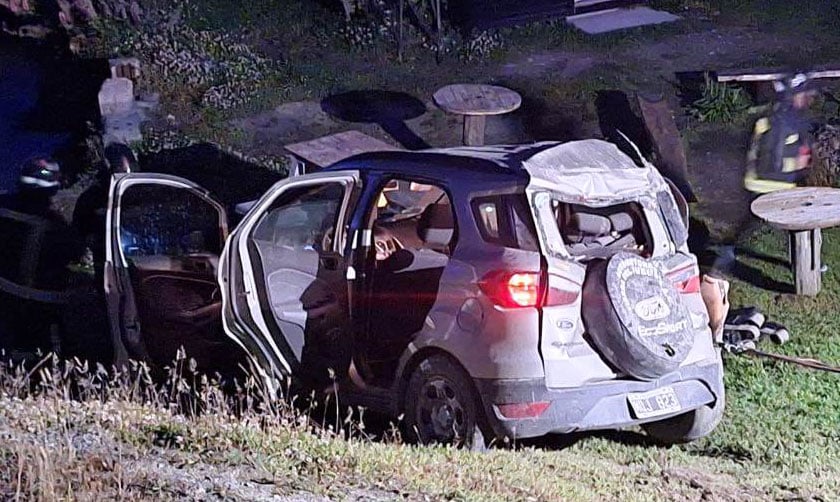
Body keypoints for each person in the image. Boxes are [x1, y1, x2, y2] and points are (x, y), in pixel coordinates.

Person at [712, 73, 817, 273]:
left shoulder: (781, 117)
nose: (808, 98)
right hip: (767, 187)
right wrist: (798, 162)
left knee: (751, 223)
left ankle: (726, 251)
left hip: (771, 185)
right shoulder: (779, 123)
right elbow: (770, 166)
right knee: (791, 224)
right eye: (803, 93)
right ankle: (805, 265)